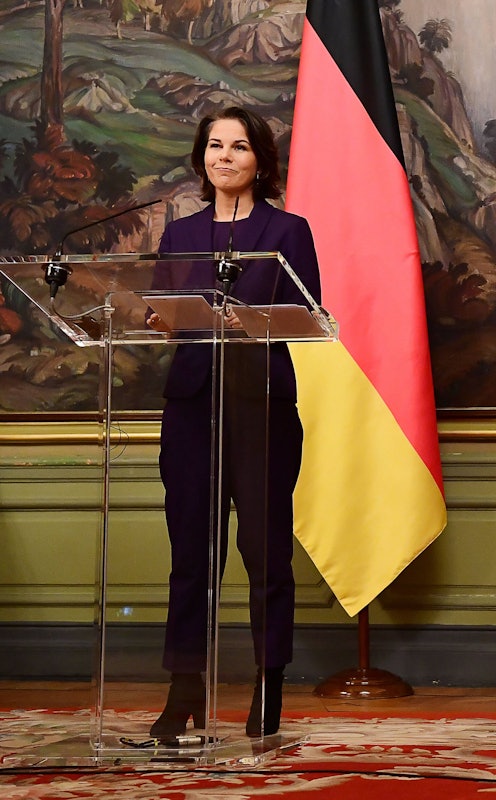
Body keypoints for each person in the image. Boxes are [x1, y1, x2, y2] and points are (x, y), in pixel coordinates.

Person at [146, 106, 321, 738]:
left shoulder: (287, 230)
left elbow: (309, 315)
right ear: (201, 159)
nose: (225, 156)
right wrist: (159, 319)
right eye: (214, 146)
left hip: (261, 405)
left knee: (264, 553)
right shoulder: (179, 233)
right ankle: (184, 684)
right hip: (193, 406)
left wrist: (241, 320)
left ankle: (269, 683)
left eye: (239, 146)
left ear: (260, 160)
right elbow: (163, 312)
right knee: (192, 553)